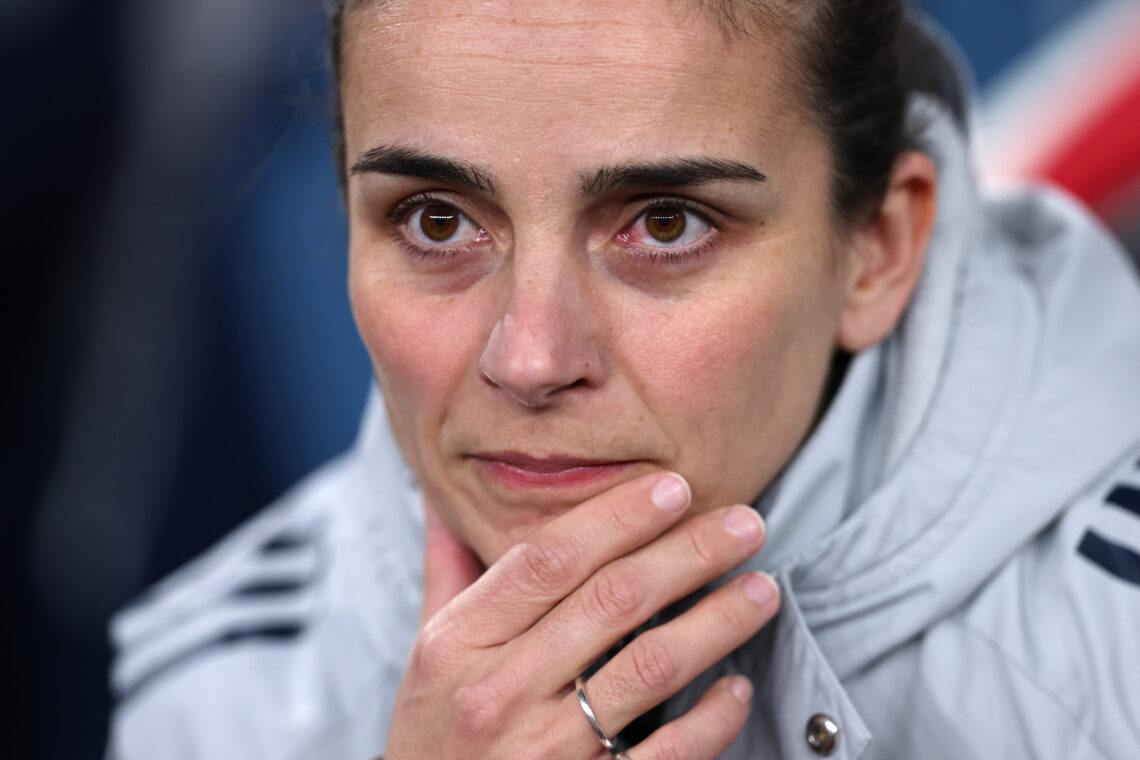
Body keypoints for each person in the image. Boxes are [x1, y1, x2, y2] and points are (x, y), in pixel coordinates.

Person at [106, 0, 1140, 758]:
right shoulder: (217, 697)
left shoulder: (1113, 656)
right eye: (436, 220)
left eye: (666, 223)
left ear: (876, 246)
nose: (531, 358)